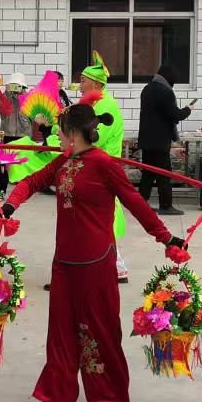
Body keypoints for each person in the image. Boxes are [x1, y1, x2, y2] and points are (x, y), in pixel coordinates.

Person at [2, 103, 184, 402]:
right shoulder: (63, 162)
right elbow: (31, 182)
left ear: (73, 134)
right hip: (64, 260)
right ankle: (59, 394)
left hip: (96, 261)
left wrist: (166, 238)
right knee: (60, 330)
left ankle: (107, 394)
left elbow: (135, 202)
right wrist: (10, 205)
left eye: (60, 132)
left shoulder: (104, 165)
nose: (57, 137)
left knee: (99, 328)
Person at [78, 51, 130, 280]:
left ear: (96, 84)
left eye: (83, 81)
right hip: (92, 167)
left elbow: (94, 138)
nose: (80, 86)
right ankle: (111, 264)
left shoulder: (105, 106)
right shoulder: (95, 103)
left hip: (102, 169)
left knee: (100, 218)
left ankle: (115, 265)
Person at [136, 63, 193, 216]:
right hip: (159, 141)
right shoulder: (165, 91)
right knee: (164, 175)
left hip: (147, 140)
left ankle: (140, 205)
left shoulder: (147, 89)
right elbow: (175, 115)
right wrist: (188, 109)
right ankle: (166, 206)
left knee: (148, 174)